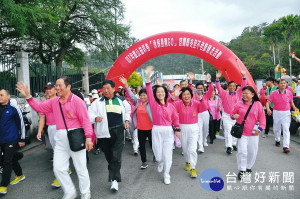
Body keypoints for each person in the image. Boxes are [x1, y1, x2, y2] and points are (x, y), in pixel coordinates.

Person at [16, 77, 94, 199]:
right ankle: (70, 191)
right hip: (60, 138)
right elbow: (39, 108)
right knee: (58, 168)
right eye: (56, 86)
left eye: (59, 85)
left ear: (68, 87)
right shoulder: (54, 101)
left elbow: (86, 121)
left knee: (81, 169)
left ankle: (85, 193)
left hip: (76, 137)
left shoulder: (77, 101)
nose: (57, 88)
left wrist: (89, 137)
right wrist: (28, 97)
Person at [88, 79, 131, 191]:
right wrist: (95, 118)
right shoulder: (97, 102)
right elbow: (89, 115)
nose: (106, 91)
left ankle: (114, 180)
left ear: (113, 89)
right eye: (104, 88)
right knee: (109, 156)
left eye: (108, 88)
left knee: (116, 156)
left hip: (118, 130)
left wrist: (126, 120)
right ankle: (114, 176)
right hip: (103, 133)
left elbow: (128, 111)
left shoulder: (121, 100)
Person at [145, 66, 180, 185]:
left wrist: (177, 129)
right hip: (157, 130)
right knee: (159, 155)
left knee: (168, 155)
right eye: (158, 92)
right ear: (156, 94)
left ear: (166, 93)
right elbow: (149, 91)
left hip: (168, 131)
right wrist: (148, 78)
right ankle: (160, 162)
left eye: (162, 92)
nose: (160, 93)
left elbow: (175, 118)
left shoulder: (171, 106)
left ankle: (166, 174)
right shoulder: (154, 104)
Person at [231, 86, 266, 180]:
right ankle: (242, 169)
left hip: (254, 133)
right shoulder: (239, 104)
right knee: (242, 152)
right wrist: (234, 116)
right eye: (243, 93)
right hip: (242, 133)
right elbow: (232, 114)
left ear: (252, 94)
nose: (244, 95)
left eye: (247, 93)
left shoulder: (258, 104)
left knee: (252, 152)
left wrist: (260, 128)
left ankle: (248, 167)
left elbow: (262, 118)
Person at [120, 77, 154, 169]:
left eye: (145, 95)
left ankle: (156, 155)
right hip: (140, 128)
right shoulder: (137, 102)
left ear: (148, 96)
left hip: (151, 129)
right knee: (142, 146)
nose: (143, 97)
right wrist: (126, 85)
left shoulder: (151, 104)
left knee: (152, 145)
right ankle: (144, 162)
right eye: (141, 95)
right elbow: (130, 95)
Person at [169, 87, 201, 178]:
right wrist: (174, 97)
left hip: (194, 127)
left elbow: (205, 107)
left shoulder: (196, 103)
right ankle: (187, 161)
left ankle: (193, 168)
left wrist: (201, 98)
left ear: (191, 95)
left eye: (188, 94)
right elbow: (168, 104)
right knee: (186, 149)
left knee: (192, 149)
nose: (186, 96)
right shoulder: (178, 104)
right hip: (182, 127)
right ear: (181, 96)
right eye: (184, 94)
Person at [0, 89, 26, 195]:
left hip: (11, 139)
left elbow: (21, 123)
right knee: (9, 157)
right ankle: (20, 174)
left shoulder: (14, 107)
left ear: (8, 96)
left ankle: (3, 185)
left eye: (1, 95)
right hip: (1, 139)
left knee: (7, 162)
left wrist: (22, 139)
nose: (0, 97)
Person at [215, 69, 247, 154]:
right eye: (230, 86)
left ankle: (233, 144)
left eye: (234, 86)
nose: (232, 87)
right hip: (226, 116)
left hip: (237, 116)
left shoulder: (239, 93)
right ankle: (229, 146)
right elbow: (218, 87)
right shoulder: (224, 93)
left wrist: (244, 77)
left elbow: (244, 86)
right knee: (228, 130)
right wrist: (217, 79)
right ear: (228, 87)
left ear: (236, 87)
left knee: (235, 130)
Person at [266, 79, 298, 153]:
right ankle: (277, 139)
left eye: (284, 83)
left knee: (286, 129)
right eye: (281, 83)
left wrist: (294, 108)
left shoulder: (289, 93)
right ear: (278, 84)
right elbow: (268, 102)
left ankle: (286, 146)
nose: (283, 85)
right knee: (277, 128)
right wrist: (268, 109)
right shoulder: (274, 93)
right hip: (277, 112)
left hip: (286, 113)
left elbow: (291, 102)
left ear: (286, 84)